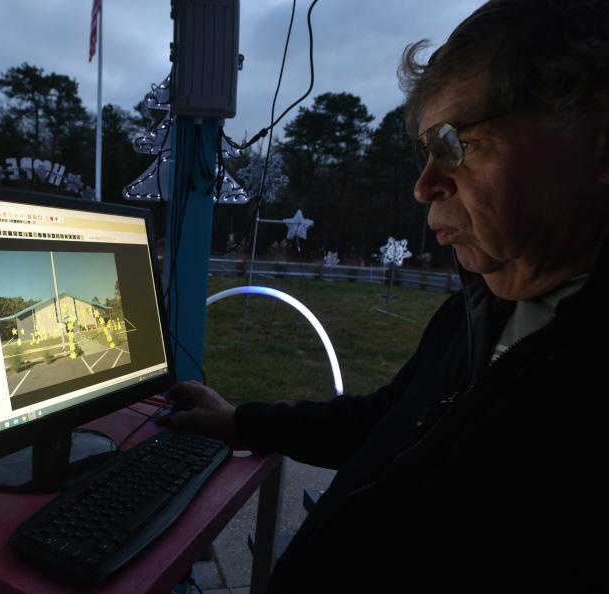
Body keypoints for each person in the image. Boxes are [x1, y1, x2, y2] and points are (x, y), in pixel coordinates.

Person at [162, 1, 609, 590]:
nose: (423, 185)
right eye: (423, 152)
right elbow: (384, 421)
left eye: (453, 142)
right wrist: (240, 421)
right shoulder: (478, 310)